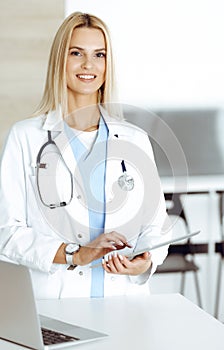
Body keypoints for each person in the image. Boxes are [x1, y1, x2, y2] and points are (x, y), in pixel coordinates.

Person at [0, 12, 170, 299]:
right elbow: (8, 232)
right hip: (56, 302)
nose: (88, 65)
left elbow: (156, 226)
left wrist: (146, 259)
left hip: (125, 302)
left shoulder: (134, 139)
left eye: (99, 55)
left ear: (108, 64)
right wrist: (74, 254)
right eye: (76, 53)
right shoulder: (26, 137)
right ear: (60, 61)